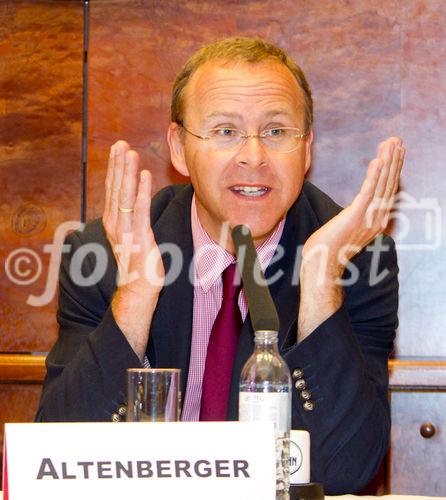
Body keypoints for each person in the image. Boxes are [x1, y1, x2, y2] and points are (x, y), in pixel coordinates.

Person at [36, 37, 404, 494]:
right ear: (178, 148)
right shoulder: (103, 253)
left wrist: (321, 283)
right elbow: (56, 460)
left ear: (306, 149)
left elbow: (347, 469)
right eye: (225, 131)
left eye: (276, 131)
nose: (253, 156)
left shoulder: (358, 260)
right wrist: (135, 295)